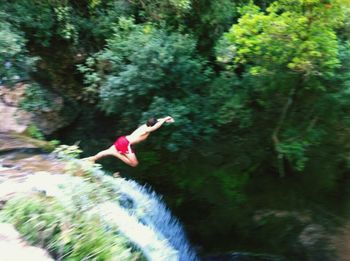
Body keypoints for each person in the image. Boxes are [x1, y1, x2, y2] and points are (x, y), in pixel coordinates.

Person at [86, 116, 174, 167]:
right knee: (134, 163)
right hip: (126, 144)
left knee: (107, 151)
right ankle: (115, 153)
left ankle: (92, 159)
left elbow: (156, 121)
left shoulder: (145, 125)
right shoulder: (147, 130)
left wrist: (165, 120)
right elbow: (156, 126)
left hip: (123, 139)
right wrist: (166, 118)